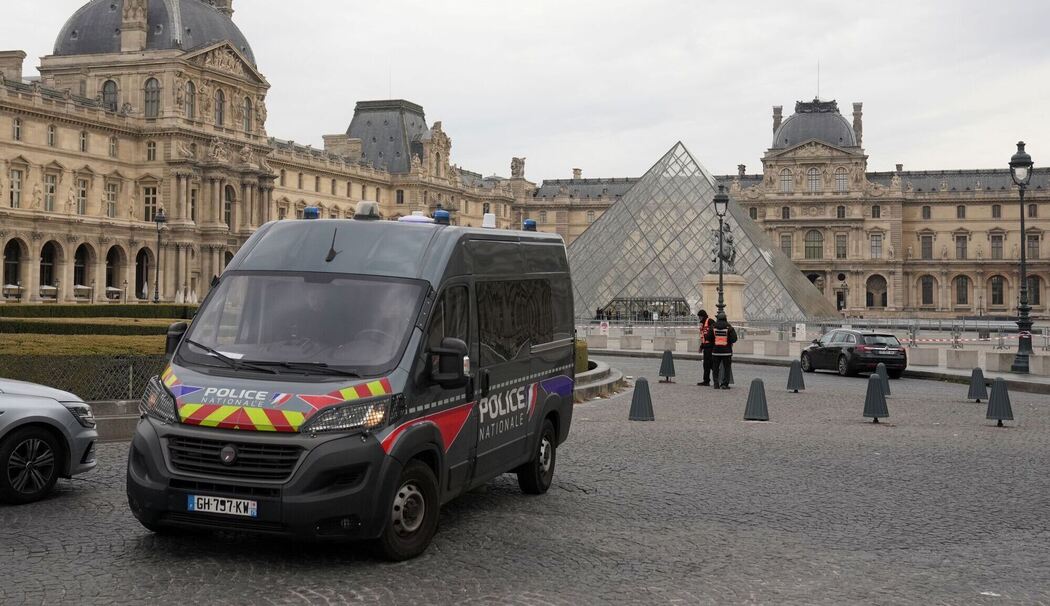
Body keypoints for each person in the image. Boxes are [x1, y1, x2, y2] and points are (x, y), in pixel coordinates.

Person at [706, 312, 738, 390]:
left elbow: (708, 337)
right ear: (725, 318)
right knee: (727, 368)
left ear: (718, 318)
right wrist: (729, 341)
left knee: (715, 368)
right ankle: (724, 384)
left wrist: (714, 341)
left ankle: (716, 384)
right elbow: (734, 339)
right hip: (727, 352)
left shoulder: (713, 326)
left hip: (716, 351)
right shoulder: (729, 327)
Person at [696, 310, 714, 386]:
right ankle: (706, 381)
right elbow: (703, 337)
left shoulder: (710, 321)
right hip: (706, 347)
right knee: (706, 365)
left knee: (712, 365)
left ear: (702, 316)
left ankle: (717, 380)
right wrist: (701, 346)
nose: (699, 318)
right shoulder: (702, 324)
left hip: (711, 347)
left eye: (700, 317)